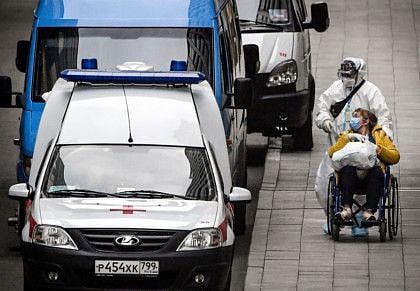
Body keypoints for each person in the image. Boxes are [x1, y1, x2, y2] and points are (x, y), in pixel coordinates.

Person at [314, 57, 393, 236]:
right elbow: (322, 108)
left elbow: (383, 116)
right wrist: (325, 121)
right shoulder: (335, 89)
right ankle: (333, 215)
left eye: (350, 74)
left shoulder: (371, 92)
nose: (347, 78)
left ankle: (360, 219)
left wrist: (383, 138)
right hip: (339, 147)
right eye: (344, 75)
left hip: (366, 150)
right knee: (323, 186)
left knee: (369, 179)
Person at [328, 108, 400, 221]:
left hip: (371, 178)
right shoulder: (347, 135)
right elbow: (331, 152)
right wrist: (347, 138)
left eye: (356, 116)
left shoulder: (379, 135)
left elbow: (395, 156)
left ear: (366, 121)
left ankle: (369, 211)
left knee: (377, 171)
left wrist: (378, 149)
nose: (353, 119)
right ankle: (346, 209)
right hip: (351, 178)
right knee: (347, 168)